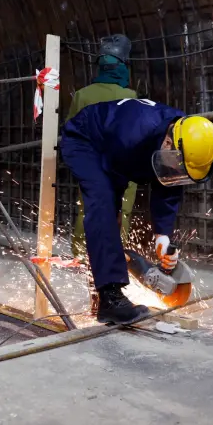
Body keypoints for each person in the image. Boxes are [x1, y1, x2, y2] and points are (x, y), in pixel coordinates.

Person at [61, 98, 213, 324]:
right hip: (86, 139)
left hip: (118, 142)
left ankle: (111, 269)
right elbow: (112, 186)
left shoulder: (184, 134)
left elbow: (168, 184)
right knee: (103, 202)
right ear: (168, 144)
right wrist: (111, 231)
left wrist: (163, 236)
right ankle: (109, 298)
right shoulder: (132, 137)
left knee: (108, 214)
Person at [67, 34, 138, 259]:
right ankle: (116, 256)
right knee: (122, 211)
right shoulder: (130, 96)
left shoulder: (81, 95)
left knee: (87, 208)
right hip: (123, 166)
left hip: (91, 164)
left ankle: (81, 256)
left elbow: (70, 132)